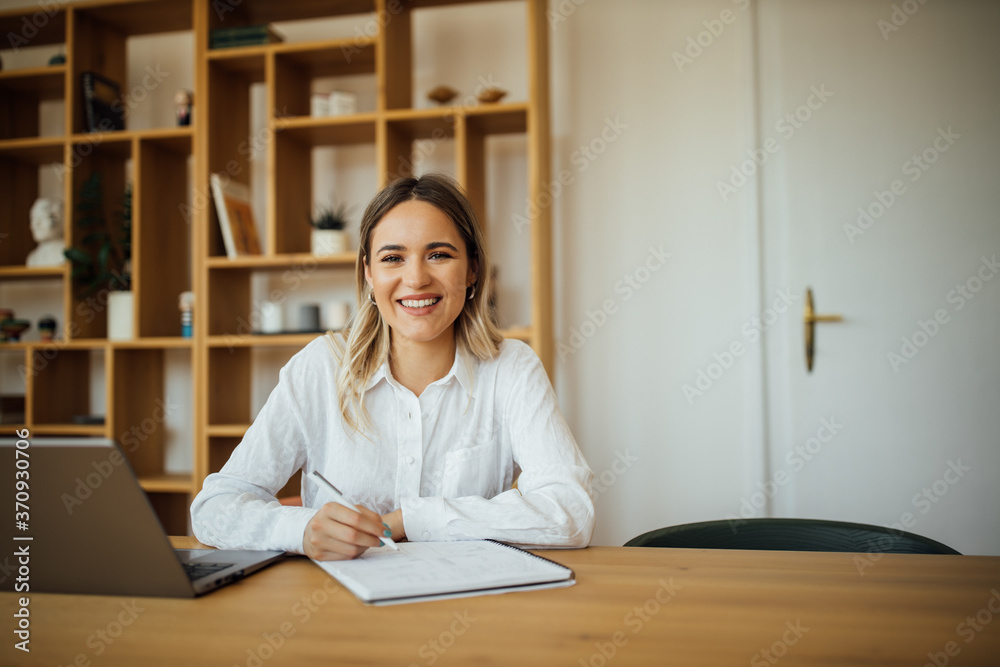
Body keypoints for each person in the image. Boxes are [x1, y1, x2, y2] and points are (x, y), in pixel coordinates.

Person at [191, 174, 595, 560]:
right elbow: (213, 509)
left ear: (472, 269)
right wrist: (301, 530)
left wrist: (409, 520)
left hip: (466, 607)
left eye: (438, 255)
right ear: (369, 273)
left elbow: (570, 513)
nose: (416, 278)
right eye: (393, 258)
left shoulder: (512, 368)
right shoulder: (320, 367)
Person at [26, 198, 66, 267]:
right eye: (33, 218)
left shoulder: (66, 253)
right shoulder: (33, 258)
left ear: (58, 219)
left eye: (42, 218)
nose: (36, 224)